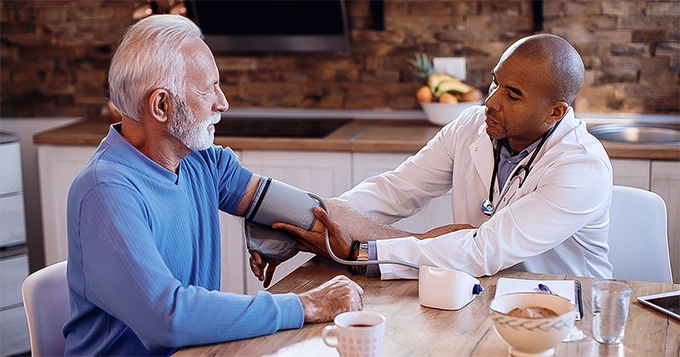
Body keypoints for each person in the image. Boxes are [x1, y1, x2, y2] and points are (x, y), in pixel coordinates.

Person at [63, 14, 363, 356]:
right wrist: (306, 305)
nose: (223, 103)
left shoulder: (203, 162)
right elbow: (167, 319)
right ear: (161, 105)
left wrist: (412, 248)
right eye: (208, 89)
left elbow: (310, 213)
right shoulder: (106, 190)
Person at [253, 33, 613, 283]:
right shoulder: (473, 125)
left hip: (565, 309)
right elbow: (396, 190)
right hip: (476, 292)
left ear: (555, 112)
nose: (490, 101)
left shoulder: (581, 167)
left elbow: (481, 250)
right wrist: (314, 225)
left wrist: (362, 253)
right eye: (494, 83)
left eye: (513, 95)